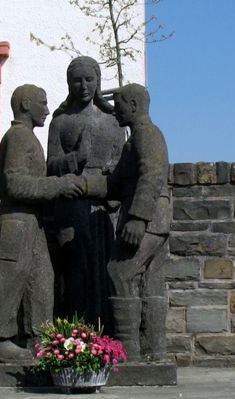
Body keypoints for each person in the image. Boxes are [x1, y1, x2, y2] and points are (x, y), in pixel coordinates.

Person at [0, 84, 86, 363]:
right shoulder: (18, 137)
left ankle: (40, 339)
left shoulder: (26, 138)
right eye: (42, 103)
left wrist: (66, 170)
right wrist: (58, 185)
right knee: (9, 278)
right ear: (26, 105)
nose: (48, 110)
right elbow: (13, 185)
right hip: (15, 219)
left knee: (41, 280)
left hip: (31, 221)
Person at [85, 83, 171, 361]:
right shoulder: (136, 137)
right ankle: (154, 352)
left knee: (119, 272)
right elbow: (115, 183)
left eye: (120, 105)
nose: (116, 110)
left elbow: (152, 175)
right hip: (153, 219)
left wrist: (137, 218)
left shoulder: (147, 135)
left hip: (148, 218)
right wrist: (78, 185)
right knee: (150, 283)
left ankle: (129, 352)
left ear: (133, 105)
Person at [47, 56, 126, 331]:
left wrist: (109, 178)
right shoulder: (60, 122)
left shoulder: (113, 121)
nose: (83, 86)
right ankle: (73, 338)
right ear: (69, 83)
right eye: (77, 80)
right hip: (71, 205)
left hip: (103, 208)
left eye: (89, 80)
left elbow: (122, 165)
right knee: (74, 275)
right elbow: (51, 166)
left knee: (103, 273)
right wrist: (73, 159)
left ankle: (106, 337)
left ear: (97, 81)